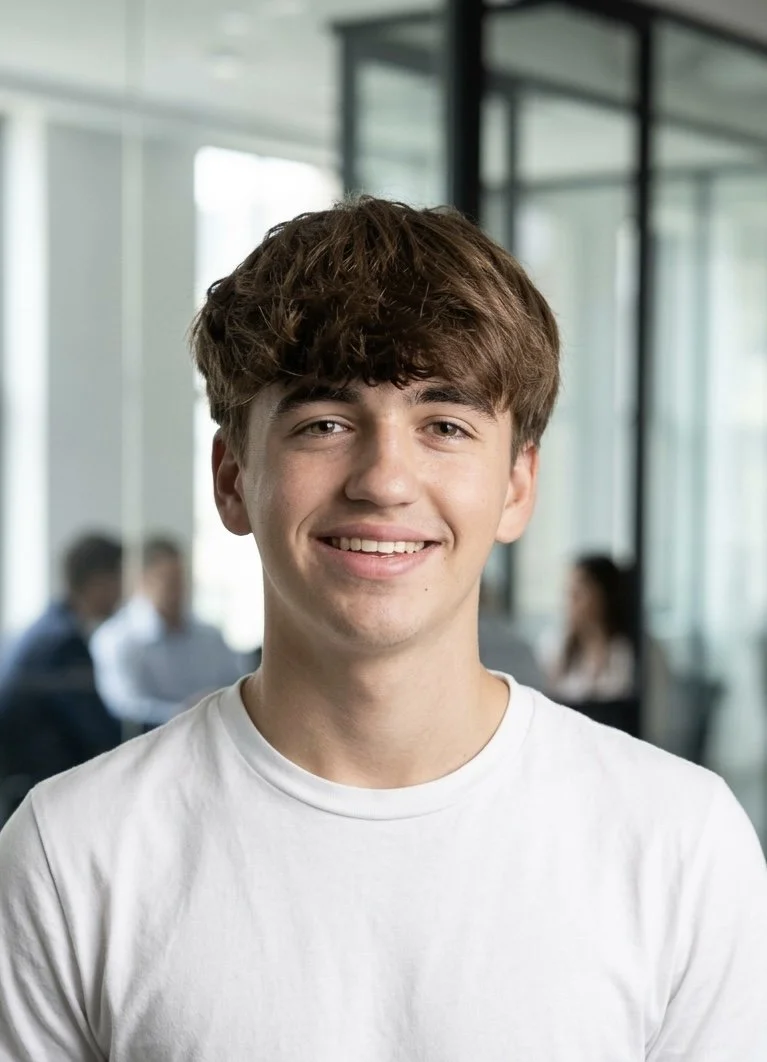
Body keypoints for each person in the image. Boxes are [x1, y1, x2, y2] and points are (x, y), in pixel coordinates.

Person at [1, 199, 766, 1062]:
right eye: (324, 424)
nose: (384, 480)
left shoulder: (678, 842)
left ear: (516, 487)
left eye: (444, 425)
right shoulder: (73, 854)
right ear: (231, 477)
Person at [0, 533, 123, 819]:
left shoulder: (46, 628)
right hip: (42, 794)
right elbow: (98, 731)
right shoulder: (63, 644)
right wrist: (174, 722)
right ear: (98, 583)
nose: (124, 592)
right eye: (119, 580)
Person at [90, 535, 244, 728]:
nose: (179, 590)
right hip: (149, 743)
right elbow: (124, 705)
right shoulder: (115, 639)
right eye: (169, 581)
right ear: (141, 581)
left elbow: (237, 685)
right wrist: (184, 711)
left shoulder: (210, 636)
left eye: (181, 580)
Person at [541, 554, 636, 703]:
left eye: (579, 593)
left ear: (604, 596)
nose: (570, 601)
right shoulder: (556, 646)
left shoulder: (626, 651)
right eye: (568, 592)